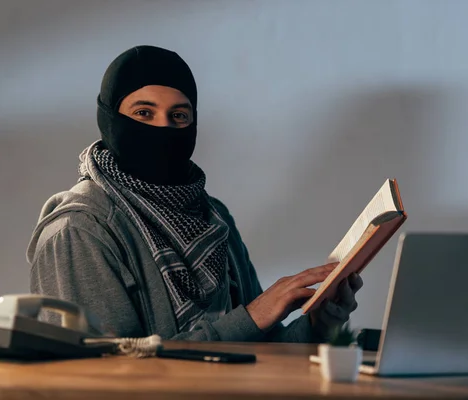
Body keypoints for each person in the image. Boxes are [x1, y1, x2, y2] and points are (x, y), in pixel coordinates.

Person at [26, 45, 363, 341]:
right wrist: (251, 317)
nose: (164, 128)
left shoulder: (213, 215)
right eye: (144, 113)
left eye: (179, 116)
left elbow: (257, 352)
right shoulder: (78, 230)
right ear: (110, 119)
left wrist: (320, 321)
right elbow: (108, 373)